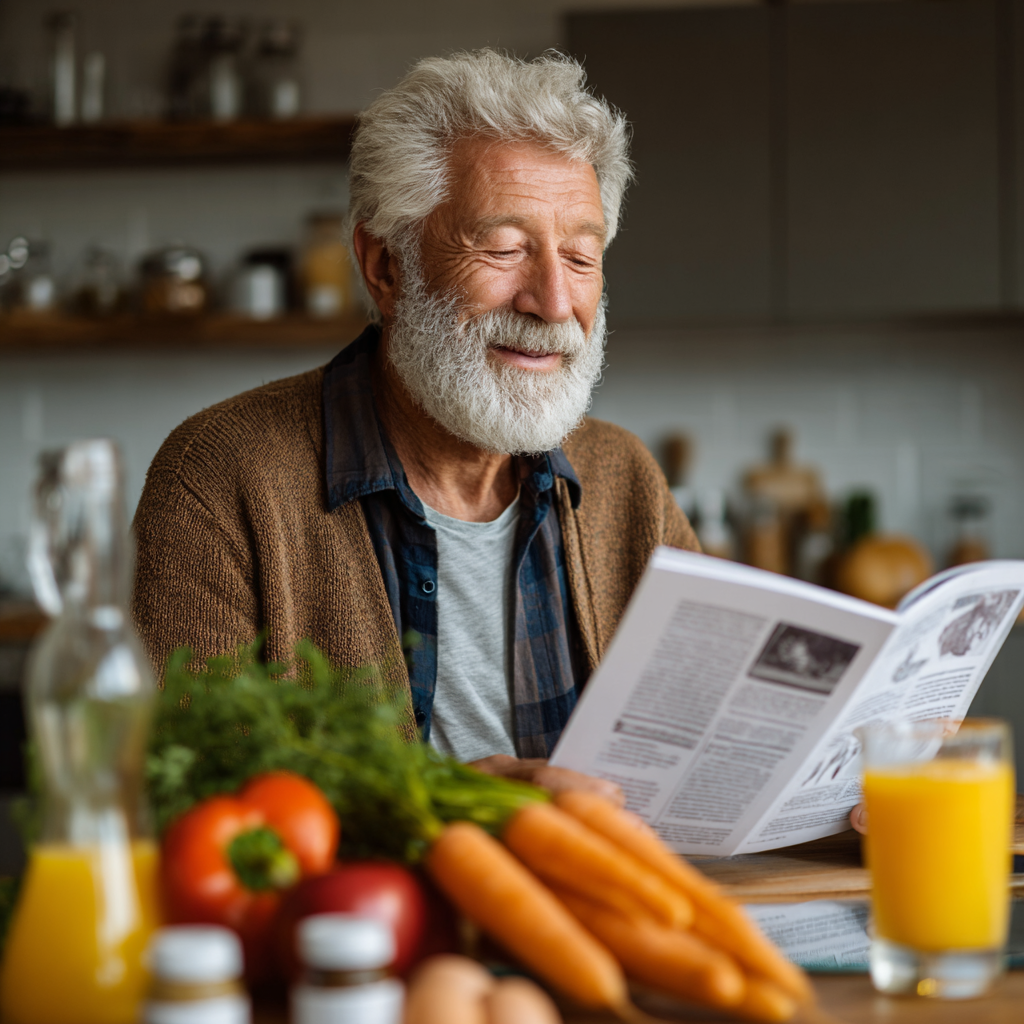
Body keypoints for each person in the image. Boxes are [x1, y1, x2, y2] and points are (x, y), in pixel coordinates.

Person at [131, 49, 700, 799]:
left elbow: (729, 721)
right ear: (385, 268)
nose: (554, 302)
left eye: (581, 256)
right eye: (504, 249)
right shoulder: (219, 474)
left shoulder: (624, 474)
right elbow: (186, 795)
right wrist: (434, 808)